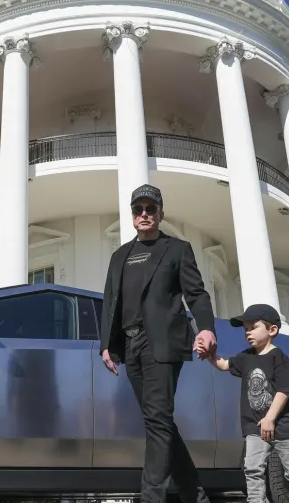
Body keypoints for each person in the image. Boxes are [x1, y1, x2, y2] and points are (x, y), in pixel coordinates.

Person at [99, 183, 217, 503]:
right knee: (158, 422)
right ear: (132, 215)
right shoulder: (119, 256)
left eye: (151, 209)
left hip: (162, 342)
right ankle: (196, 497)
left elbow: (196, 294)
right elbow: (110, 301)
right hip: (130, 345)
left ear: (160, 214)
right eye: (138, 209)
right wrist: (106, 344)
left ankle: (151, 498)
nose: (144, 214)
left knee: (157, 421)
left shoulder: (177, 249)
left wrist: (207, 328)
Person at [207, 303, 289, 503]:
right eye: (246, 329)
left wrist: (270, 418)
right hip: (254, 427)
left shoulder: (280, 359)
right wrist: (210, 356)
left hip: (282, 426)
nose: (248, 333)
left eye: (253, 327)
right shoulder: (245, 357)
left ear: (272, 330)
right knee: (252, 470)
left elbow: (285, 390)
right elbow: (224, 365)